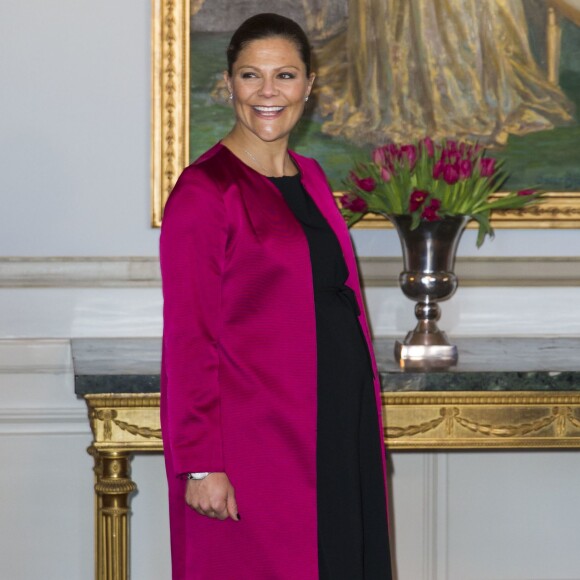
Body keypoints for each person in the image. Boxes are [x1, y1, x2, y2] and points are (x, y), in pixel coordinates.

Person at [160, 13, 392, 580]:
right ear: (229, 84)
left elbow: (339, 303)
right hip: (259, 444)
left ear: (309, 86)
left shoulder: (311, 176)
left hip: (338, 426)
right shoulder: (204, 190)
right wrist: (199, 465)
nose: (268, 92)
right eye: (250, 76)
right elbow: (191, 338)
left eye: (284, 76)